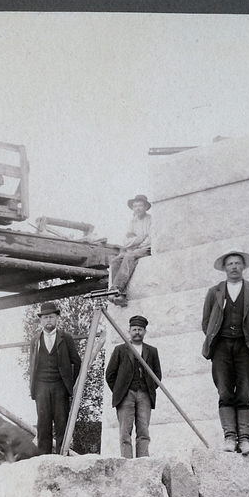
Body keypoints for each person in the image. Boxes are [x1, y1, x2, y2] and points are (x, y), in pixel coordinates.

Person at [201, 251, 249, 455]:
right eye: (230, 264)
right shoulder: (214, 292)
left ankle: (245, 440)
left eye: (237, 263)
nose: (234, 267)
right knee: (224, 391)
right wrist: (217, 339)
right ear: (224, 268)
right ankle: (230, 437)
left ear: (243, 267)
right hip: (221, 347)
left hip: (245, 346)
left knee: (244, 392)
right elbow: (206, 322)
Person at [105, 316, 162, 459]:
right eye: (134, 329)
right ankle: (126, 462)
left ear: (145, 332)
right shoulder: (120, 350)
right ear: (129, 331)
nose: (137, 332)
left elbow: (157, 376)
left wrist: (148, 388)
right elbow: (110, 374)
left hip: (145, 395)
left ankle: (143, 463)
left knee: (143, 432)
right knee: (125, 432)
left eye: (140, 330)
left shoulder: (152, 351)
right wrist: (120, 391)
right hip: (126, 396)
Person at [29, 302, 82, 455]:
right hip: (41, 387)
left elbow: (76, 362)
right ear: (41, 320)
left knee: (61, 423)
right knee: (43, 424)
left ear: (57, 318)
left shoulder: (66, 338)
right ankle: (44, 458)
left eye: (51, 317)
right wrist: (34, 388)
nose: (48, 320)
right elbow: (32, 365)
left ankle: (62, 458)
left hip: (60, 387)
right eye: (45, 317)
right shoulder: (35, 340)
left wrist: (70, 384)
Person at [109, 195, 153, 296]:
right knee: (116, 260)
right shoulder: (133, 222)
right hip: (135, 249)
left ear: (146, 207)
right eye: (135, 206)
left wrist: (136, 243)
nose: (137, 208)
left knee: (129, 256)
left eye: (140, 205)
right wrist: (142, 237)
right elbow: (126, 242)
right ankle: (117, 293)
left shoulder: (151, 220)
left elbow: (150, 240)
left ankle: (117, 288)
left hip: (147, 249)